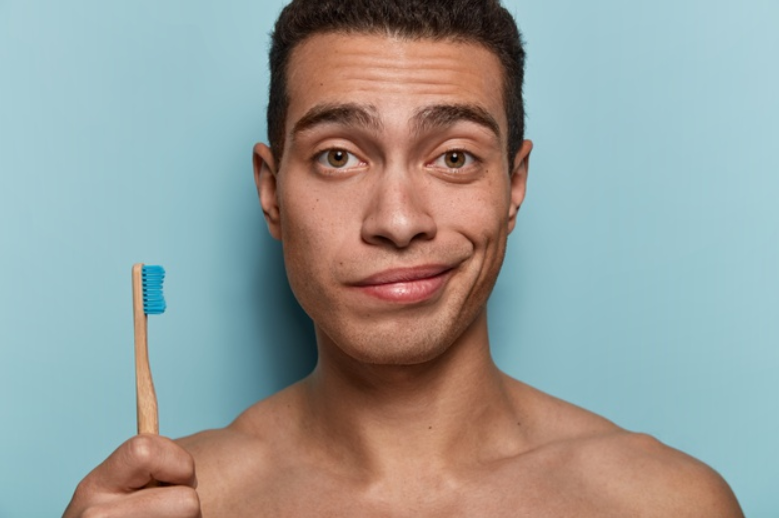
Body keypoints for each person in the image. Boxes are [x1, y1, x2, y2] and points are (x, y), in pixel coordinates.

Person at [64, 0, 744, 516]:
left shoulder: (660, 503)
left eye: (454, 158)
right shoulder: (167, 503)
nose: (397, 221)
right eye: (338, 156)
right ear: (271, 192)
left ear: (514, 185)